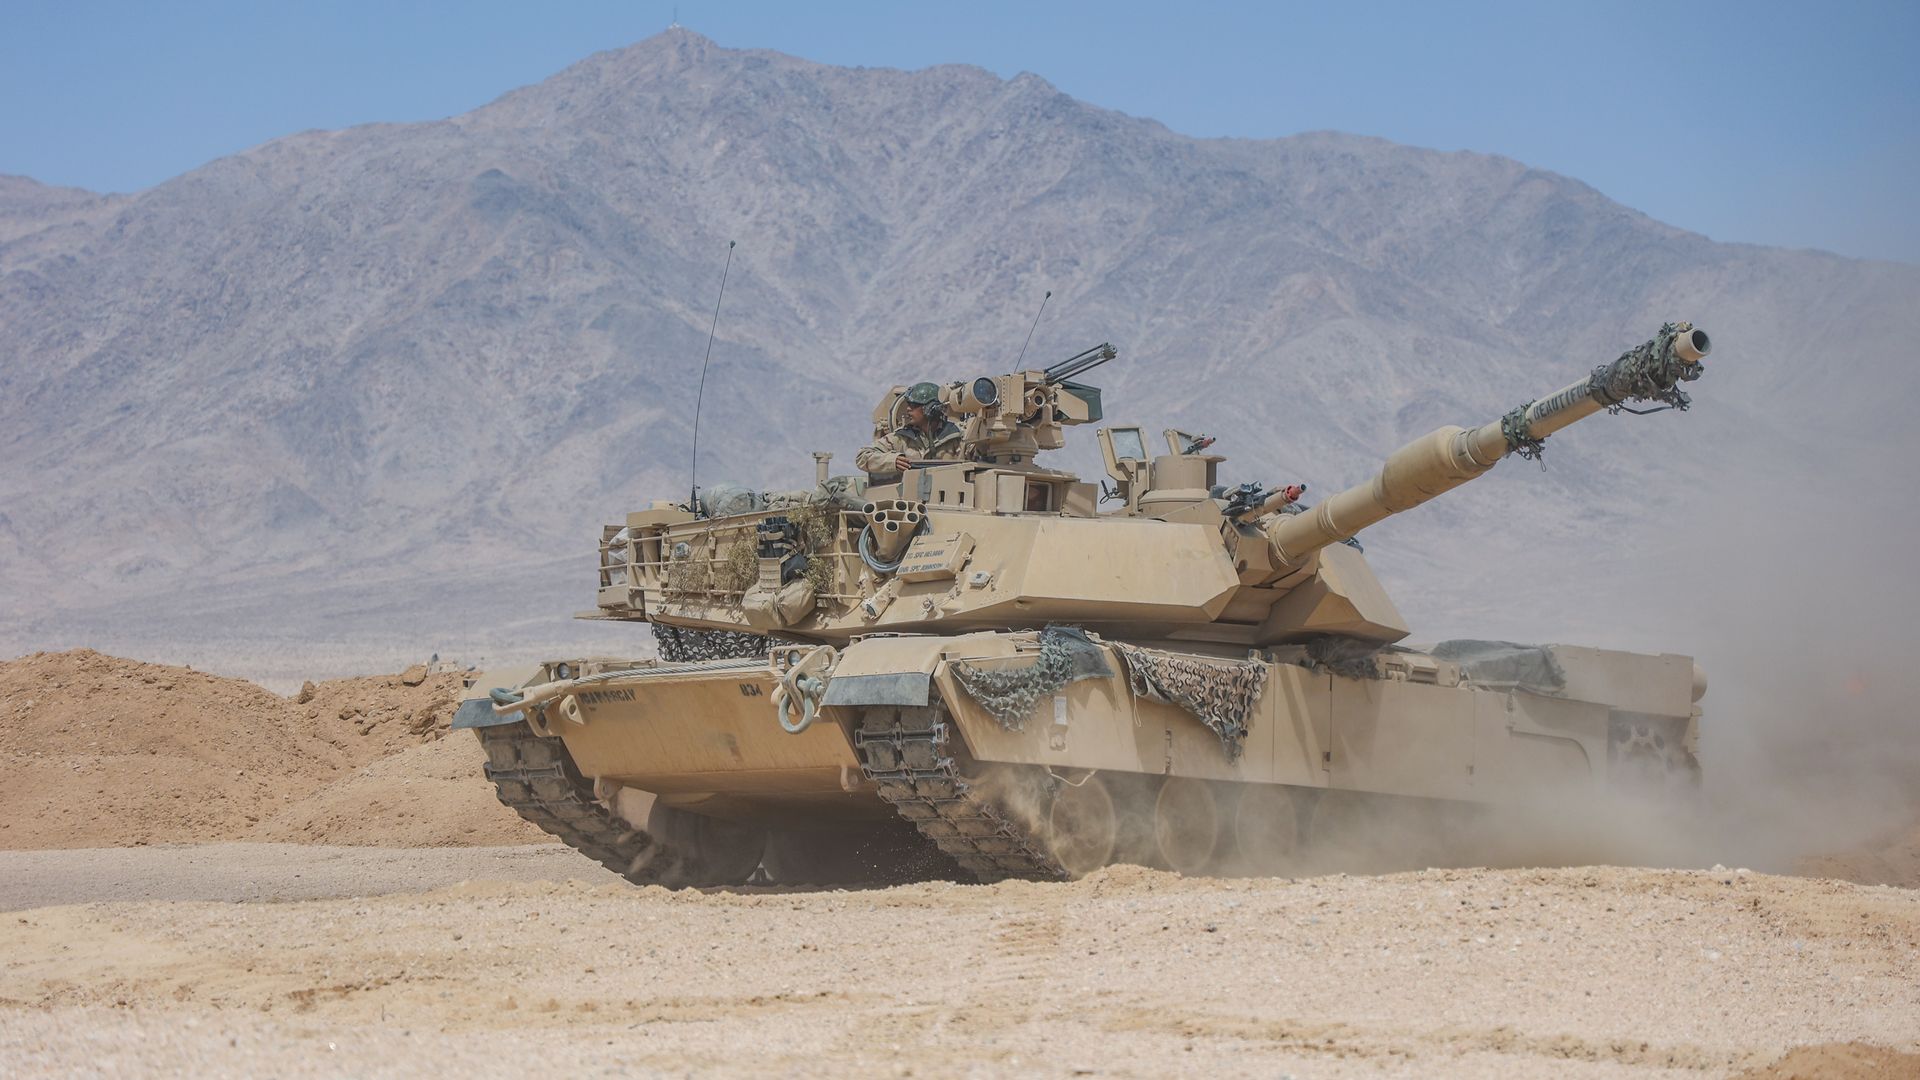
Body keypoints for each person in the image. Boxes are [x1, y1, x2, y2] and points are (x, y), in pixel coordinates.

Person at [855, 382, 965, 481]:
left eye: (913, 405)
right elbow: (862, 456)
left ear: (930, 409)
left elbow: (978, 455)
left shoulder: (956, 435)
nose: (908, 409)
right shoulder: (900, 438)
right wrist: (893, 461)